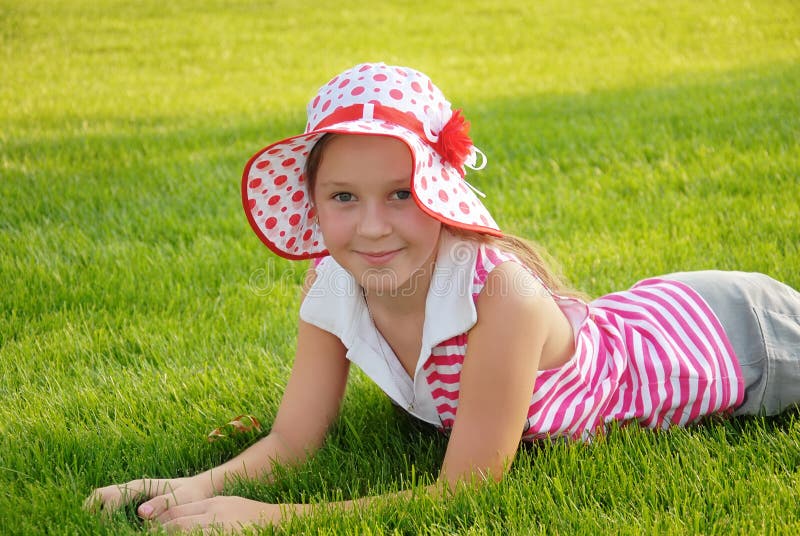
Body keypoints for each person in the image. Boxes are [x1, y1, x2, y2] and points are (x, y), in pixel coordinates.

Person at [85, 62, 800, 532]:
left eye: (401, 193)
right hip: (668, 313)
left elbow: (468, 491)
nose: (371, 228)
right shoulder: (331, 284)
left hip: (741, 339)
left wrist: (266, 517)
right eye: (343, 197)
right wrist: (184, 486)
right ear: (312, 202)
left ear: (440, 192)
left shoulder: (500, 297)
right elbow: (292, 441)